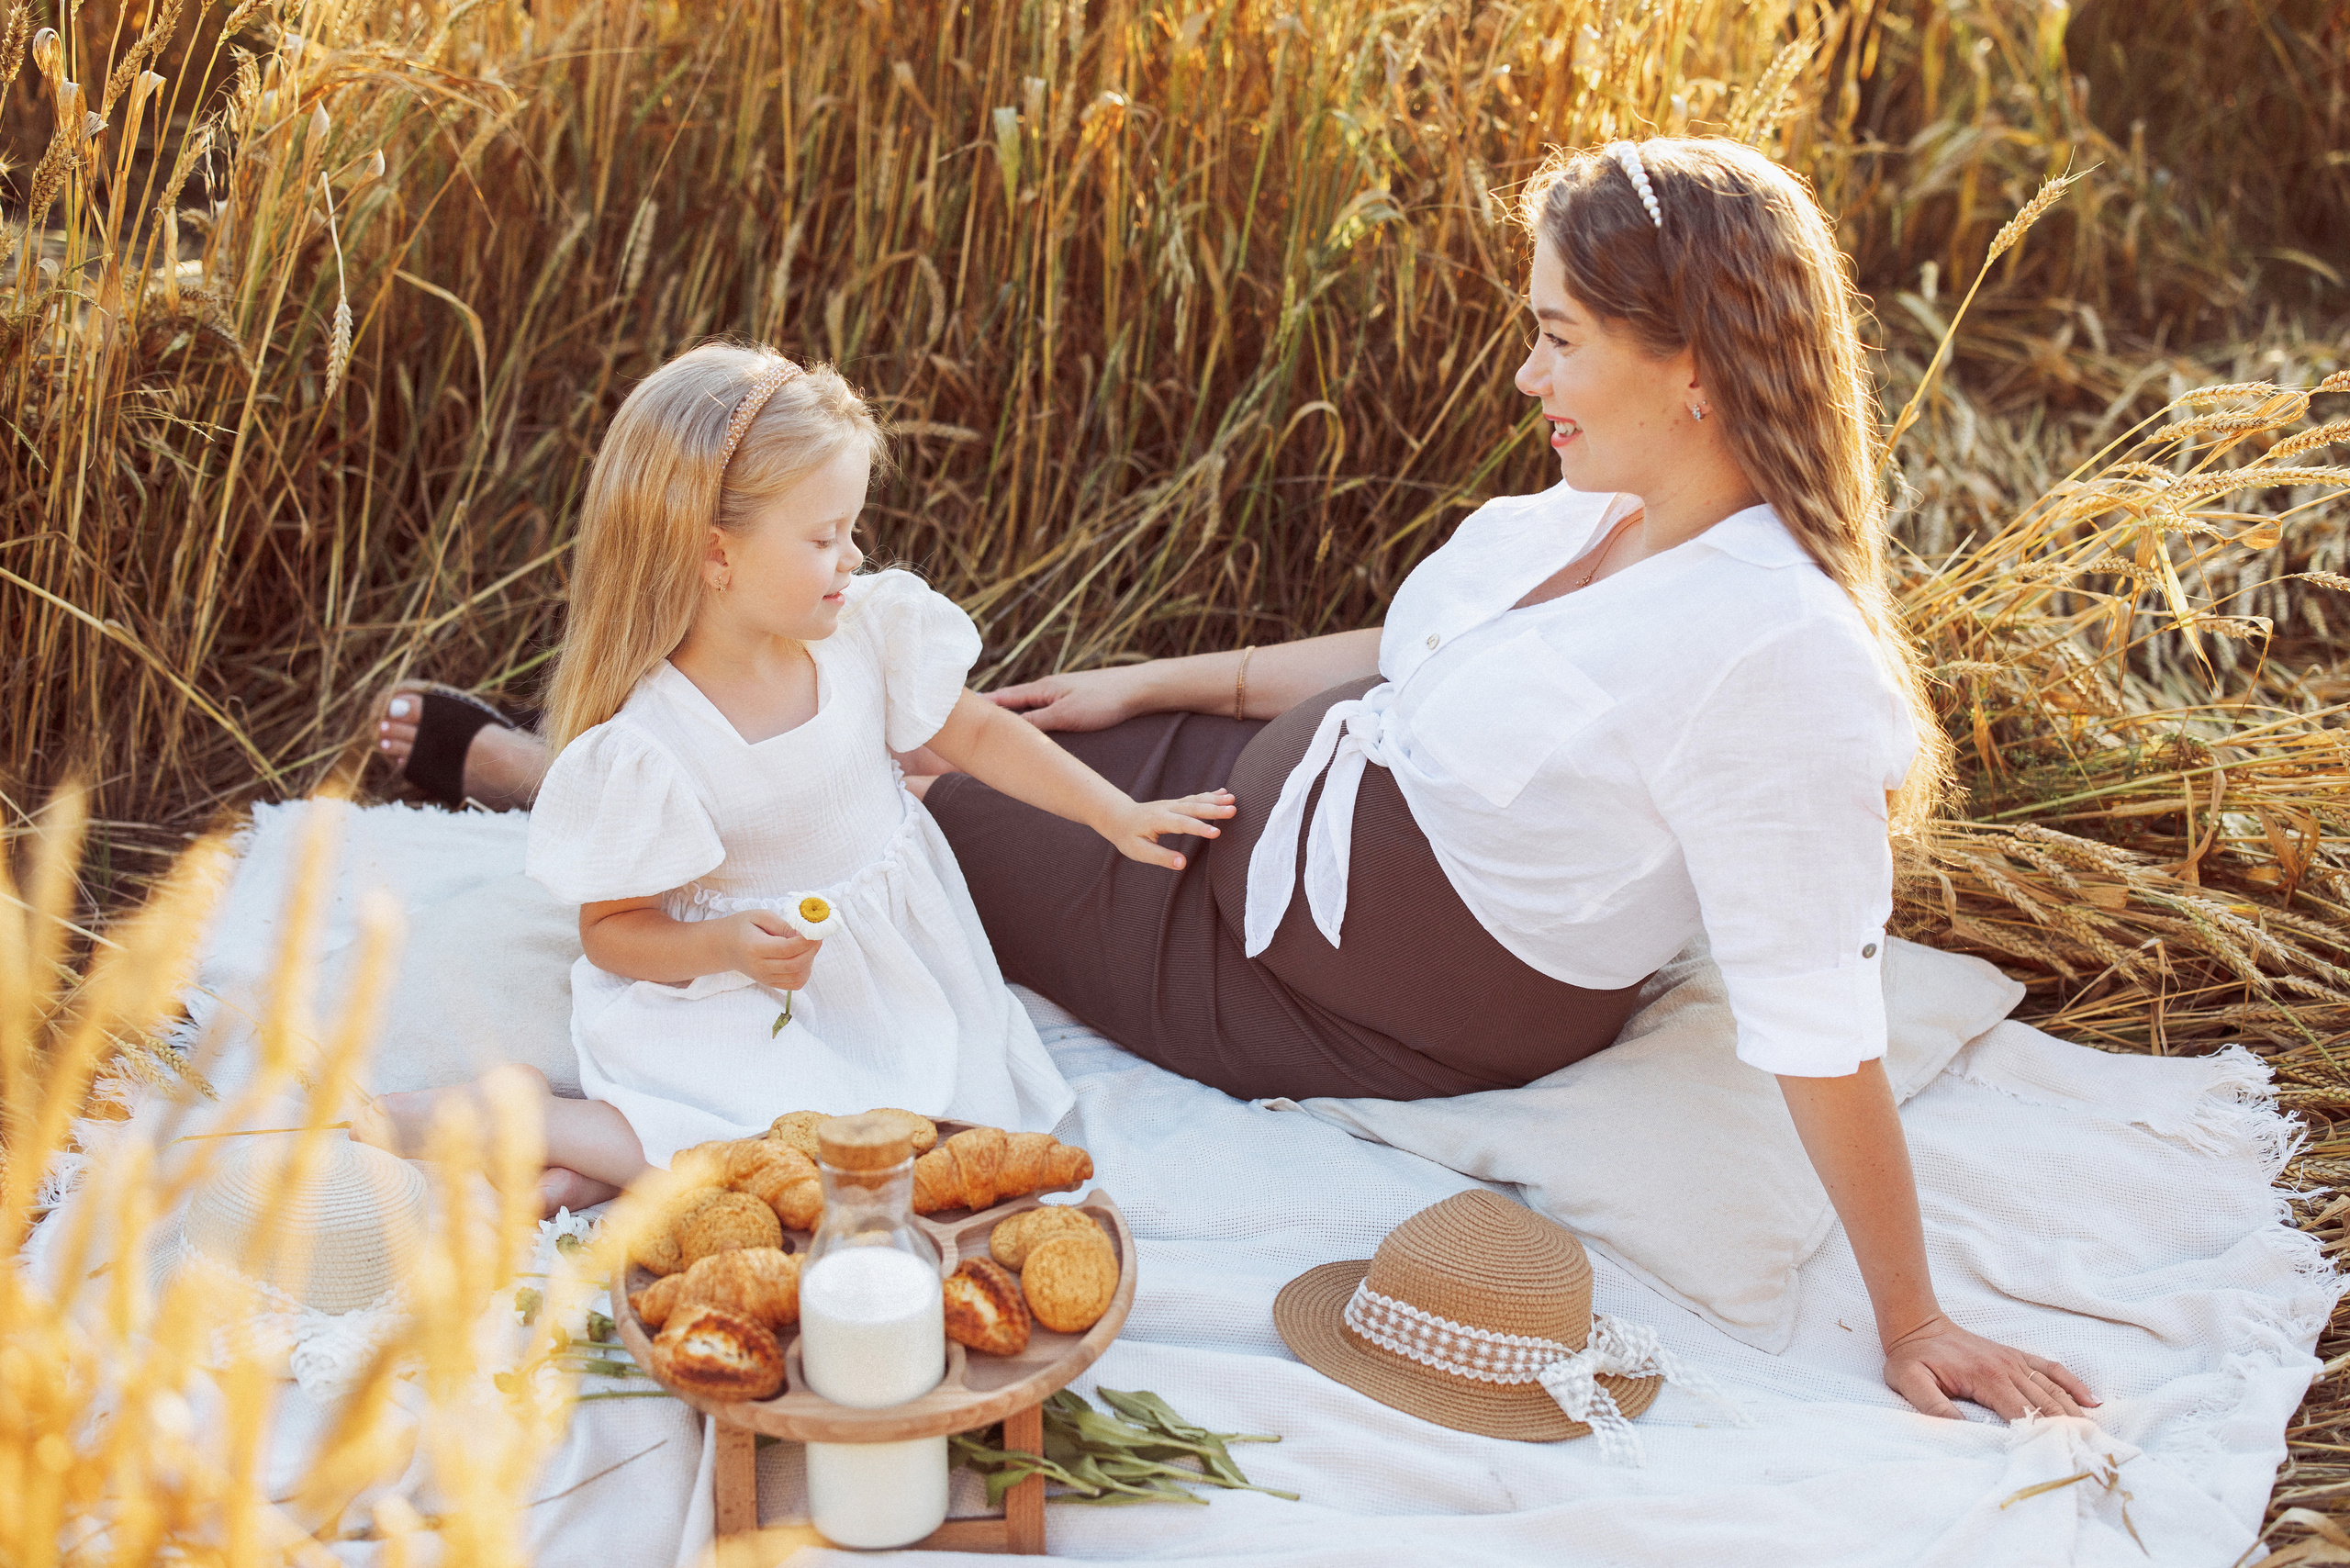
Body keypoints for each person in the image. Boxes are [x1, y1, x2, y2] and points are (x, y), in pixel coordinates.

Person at [371, 139, 2097, 1424]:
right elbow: (1406, 654)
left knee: (889, 795)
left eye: (1558, 339)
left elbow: (1821, 1009)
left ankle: (527, 775)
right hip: (1267, 801)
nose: (1526, 373)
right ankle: (568, 772)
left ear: (1695, 364)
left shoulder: (1770, 655)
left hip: (1312, 967)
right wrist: (1157, 680)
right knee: (985, 746)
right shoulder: (1613, 505)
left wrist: (1914, 1315)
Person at [359, 344, 1232, 1206]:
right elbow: (614, 932)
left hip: (888, 976)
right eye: (824, 537)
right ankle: (526, 1118)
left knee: (923, 1150)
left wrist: (1115, 813)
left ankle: (619, 1159)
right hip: (744, 992)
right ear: (715, 555)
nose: (854, 557)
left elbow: (975, 732)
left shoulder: (860, 632)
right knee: (816, 1171)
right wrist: (728, 944)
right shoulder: (654, 741)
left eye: (851, 529)